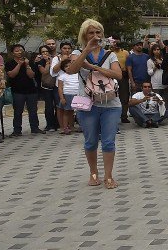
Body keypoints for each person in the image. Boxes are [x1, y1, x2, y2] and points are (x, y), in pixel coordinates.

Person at [64, 19, 123, 188]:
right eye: (91, 33)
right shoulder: (77, 53)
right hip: (87, 103)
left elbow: (118, 75)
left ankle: (109, 176)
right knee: (90, 140)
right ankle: (93, 173)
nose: (95, 36)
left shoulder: (110, 54)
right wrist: (87, 50)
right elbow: (71, 69)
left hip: (111, 103)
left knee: (108, 141)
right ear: (84, 35)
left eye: (98, 33)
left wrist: (94, 67)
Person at [4, 44, 44, 136]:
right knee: (18, 111)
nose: (19, 52)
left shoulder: (29, 62)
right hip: (17, 91)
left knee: (33, 110)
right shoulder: (9, 63)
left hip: (31, 90)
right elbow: (11, 75)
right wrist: (19, 64)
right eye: (16, 51)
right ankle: (17, 130)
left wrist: (27, 65)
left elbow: (31, 75)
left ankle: (35, 128)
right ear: (12, 53)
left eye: (21, 50)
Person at [52, 41, 80, 135]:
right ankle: (63, 127)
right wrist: (62, 61)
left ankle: (71, 126)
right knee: (62, 109)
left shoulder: (74, 56)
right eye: (64, 48)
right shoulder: (57, 58)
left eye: (68, 48)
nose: (67, 50)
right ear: (61, 49)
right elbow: (53, 72)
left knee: (71, 110)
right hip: (62, 88)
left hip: (74, 89)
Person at [34, 45, 60, 132]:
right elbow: (44, 72)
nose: (45, 53)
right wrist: (47, 63)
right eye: (43, 52)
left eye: (46, 51)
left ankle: (58, 123)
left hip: (56, 84)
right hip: (46, 86)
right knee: (49, 106)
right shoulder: (40, 61)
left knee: (58, 104)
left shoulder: (55, 59)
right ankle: (50, 125)